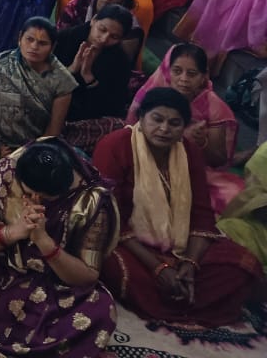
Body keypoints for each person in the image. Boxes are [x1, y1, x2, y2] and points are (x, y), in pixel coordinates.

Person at [0, 139, 121, 358]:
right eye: (29, 193)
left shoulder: (92, 202)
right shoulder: (7, 173)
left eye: (45, 198)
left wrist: (44, 241)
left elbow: (87, 276)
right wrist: (14, 232)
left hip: (50, 286)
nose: (35, 200)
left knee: (100, 307)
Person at [94, 88, 265, 326]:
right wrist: (159, 268)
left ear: (184, 127)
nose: (164, 129)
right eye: (157, 119)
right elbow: (110, 218)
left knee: (241, 265)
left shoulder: (189, 151)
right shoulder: (115, 146)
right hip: (125, 241)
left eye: (174, 123)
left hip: (180, 243)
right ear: (141, 118)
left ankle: (182, 291)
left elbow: (201, 215)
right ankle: (181, 300)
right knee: (115, 267)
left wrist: (190, 265)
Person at [128, 44, 245, 213]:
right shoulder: (156, 95)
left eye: (192, 74)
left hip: (190, 169)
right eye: (177, 71)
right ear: (169, 71)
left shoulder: (215, 108)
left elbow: (219, 159)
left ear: (204, 76)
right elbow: (134, 130)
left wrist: (202, 143)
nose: (183, 79)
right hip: (149, 157)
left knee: (234, 195)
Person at [0, 18, 77, 168]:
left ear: (53, 47)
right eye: (29, 39)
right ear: (20, 39)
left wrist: (21, 154)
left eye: (42, 43)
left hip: (27, 150)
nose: (34, 46)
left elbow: (52, 132)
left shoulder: (62, 82)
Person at [53, 3, 134, 145]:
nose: (103, 39)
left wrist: (89, 78)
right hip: (51, 103)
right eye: (102, 29)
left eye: (114, 37)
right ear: (94, 20)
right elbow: (40, 78)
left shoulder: (120, 62)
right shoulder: (65, 38)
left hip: (85, 116)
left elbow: (113, 106)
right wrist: (71, 70)